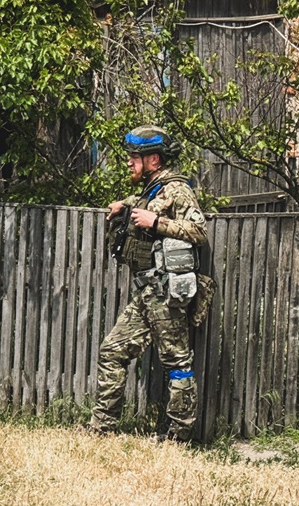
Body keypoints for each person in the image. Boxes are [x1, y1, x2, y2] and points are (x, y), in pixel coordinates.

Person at [89, 125, 210, 443]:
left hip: (166, 292)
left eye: (135, 157)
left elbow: (199, 230)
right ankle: (102, 429)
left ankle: (180, 436)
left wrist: (157, 223)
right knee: (112, 352)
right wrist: (125, 206)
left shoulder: (178, 189)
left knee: (177, 361)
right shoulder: (152, 189)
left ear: (153, 159)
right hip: (146, 292)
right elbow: (147, 205)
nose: (129, 162)